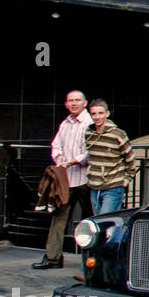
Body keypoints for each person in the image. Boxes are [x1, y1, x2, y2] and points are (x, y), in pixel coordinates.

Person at [35, 90, 92, 270]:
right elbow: (56, 145)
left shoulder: (90, 123)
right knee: (58, 217)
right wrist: (59, 159)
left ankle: (94, 261)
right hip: (66, 180)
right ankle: (53, 258)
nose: (74, 103)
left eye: (77, 100)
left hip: (86, 179)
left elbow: (90, 152)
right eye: (70, 101)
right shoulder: (65, 123)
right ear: (66, 104)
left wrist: (73, 161)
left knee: (93, 219)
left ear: (85, 103)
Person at [84, 99, 136, 215]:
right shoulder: (88, 133)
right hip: (94, 186)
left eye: (100, 113)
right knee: (98, 223)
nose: (97, 117)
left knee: (106, 221)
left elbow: (130, 159)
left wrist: (126, 180)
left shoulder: (117, 134)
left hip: (113, 186)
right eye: (94, 114)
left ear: (107, 114)